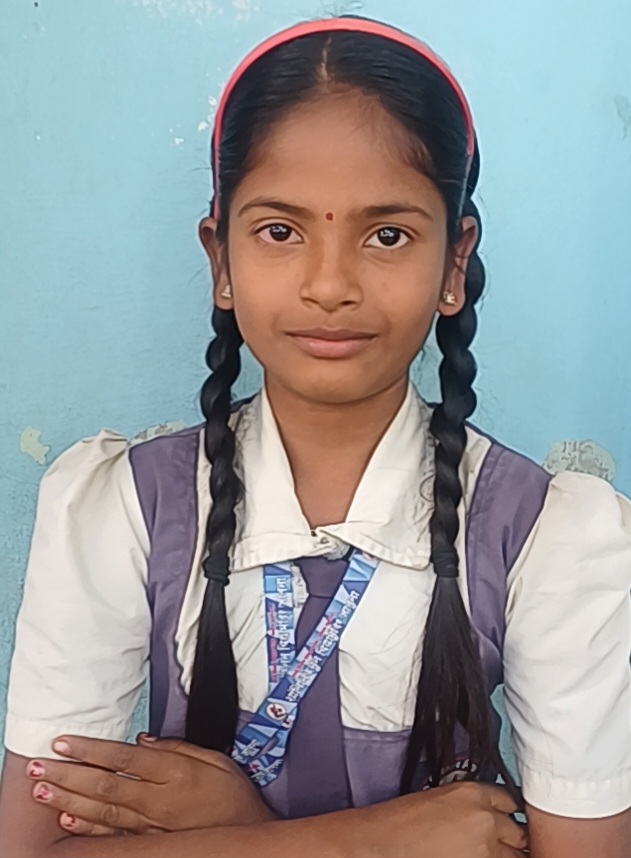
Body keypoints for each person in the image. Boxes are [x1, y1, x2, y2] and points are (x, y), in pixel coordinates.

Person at [1, 16, 630, 858]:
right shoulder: (120, 508)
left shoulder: (550, 537)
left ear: (454, 262)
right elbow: (31, 847)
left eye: (387, 235)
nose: (330, 284)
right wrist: (371, 842)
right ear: (220, 259)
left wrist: (232, 835)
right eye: (280, 231)